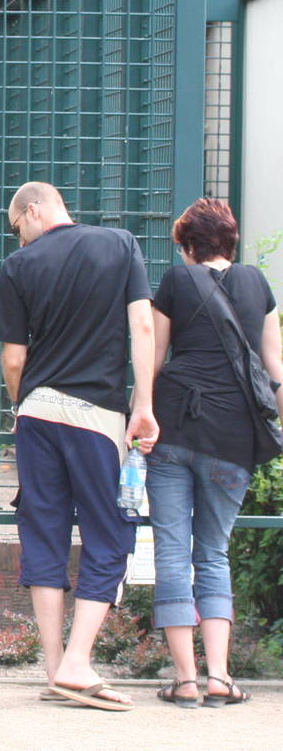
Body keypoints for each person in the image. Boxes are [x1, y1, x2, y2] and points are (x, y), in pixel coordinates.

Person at [0, 182, 159, 711]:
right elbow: (142, 326)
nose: (18, 240)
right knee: (109, 535)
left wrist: (23, 407)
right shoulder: (121, 244)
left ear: (34, 211)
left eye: (17, 228)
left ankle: (54, 664)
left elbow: (14, 361)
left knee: (44, 531)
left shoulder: (19, 267)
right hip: (97, 416)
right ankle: (79, 663)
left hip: (38, 414)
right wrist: (144, 404)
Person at [146, 198, 282, 707]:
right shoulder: (258, 285)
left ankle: (184, 682)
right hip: (233, 439)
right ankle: (221, 679)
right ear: (231, 241)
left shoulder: (176, 282)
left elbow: (153, 362)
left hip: (175, 432)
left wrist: (140, 414)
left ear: (187, 246)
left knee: (173, 554)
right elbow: (274, 370)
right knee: (214, 553)